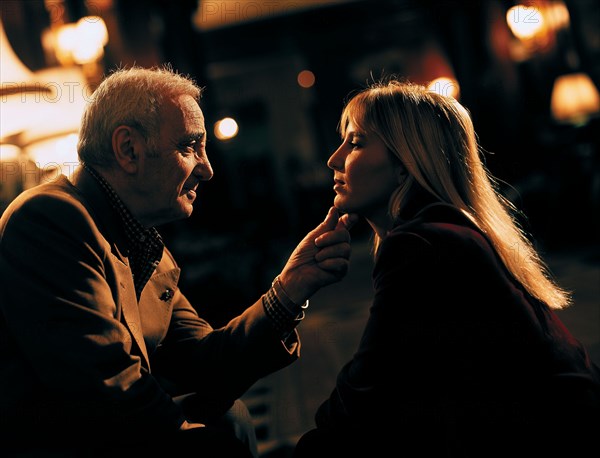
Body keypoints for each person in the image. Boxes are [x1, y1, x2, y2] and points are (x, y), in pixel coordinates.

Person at [0, 65, 357, 457]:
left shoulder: (139, 239)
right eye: (189, 147)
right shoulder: (51, 217)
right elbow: (110, 392)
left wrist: (289, 290)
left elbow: (208, 363)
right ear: (129, 150)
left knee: (230, 418)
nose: (207, 169)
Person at [293, 79, 600, 457]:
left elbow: (365, 392)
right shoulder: (442, 232)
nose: (334, 159)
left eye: (355, 142)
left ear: (405, 165)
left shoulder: (422, 246)